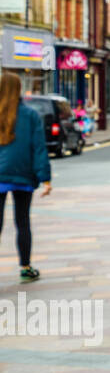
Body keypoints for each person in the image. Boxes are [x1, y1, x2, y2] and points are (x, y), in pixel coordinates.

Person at [0, 72, 51, 283]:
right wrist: (45, 178)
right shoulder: (30, 116)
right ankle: (26, 267)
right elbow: (39, 149)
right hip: (23, 175)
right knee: (23, 222)